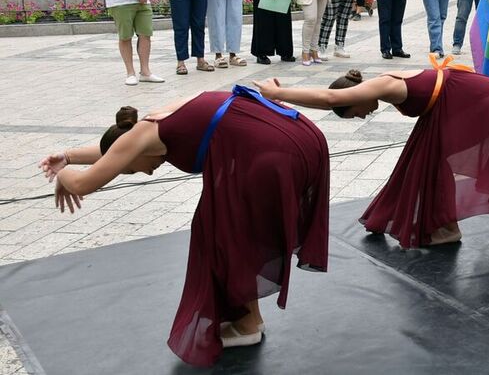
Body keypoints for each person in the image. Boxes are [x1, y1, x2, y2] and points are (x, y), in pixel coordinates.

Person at [40, 87, 329, 366]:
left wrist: (63, 173)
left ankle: (247, 323)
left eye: (130, 169)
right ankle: (246, 318)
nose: (142, 171)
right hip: (300, 137)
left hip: (275, 150)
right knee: (227, 228)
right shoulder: (154, 121)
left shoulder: (142, 136)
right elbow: (116, 150)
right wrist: (69, 156)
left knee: (218, 231)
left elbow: (83, 183)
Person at [254, 65, 489, 248]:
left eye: (354, 113)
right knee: (422, 159)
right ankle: (444, 227)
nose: (361, 116)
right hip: (464, 100)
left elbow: (329, 97)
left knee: (431, 162)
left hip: (481, 99)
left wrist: (278, 93)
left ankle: (446, 229)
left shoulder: (383, 85)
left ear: (354, 98)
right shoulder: (382, 85)